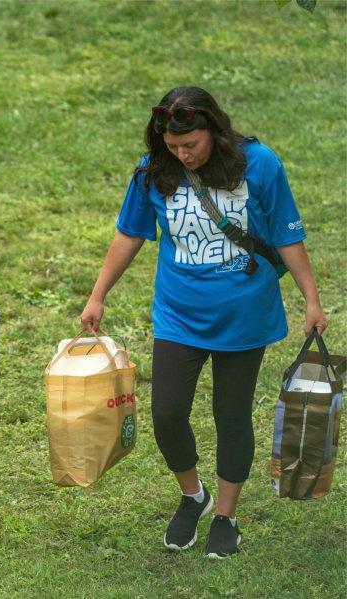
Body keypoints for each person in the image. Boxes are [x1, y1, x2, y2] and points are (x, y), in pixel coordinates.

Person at [80, 86, 327, 559]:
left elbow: (287, 236)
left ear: (212, 129)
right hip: (179, 313)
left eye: (190, 144)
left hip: (244, 314)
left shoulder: (260, 165)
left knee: (230, 416)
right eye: (173, 147)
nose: (183, 154)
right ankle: (193, 495)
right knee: (167, 413)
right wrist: (97, 295)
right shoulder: (154, 171)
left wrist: (311, 300)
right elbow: (130, 235)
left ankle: (226, 516)